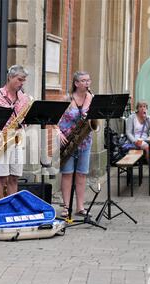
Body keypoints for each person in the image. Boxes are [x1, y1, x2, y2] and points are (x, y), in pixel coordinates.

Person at [0, 65, 30, 200]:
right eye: (19, 80)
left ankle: (12, 209)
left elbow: (25, 119)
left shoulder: (24, 98)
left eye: (23, 81)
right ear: (10, 77)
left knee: (14, 177)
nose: (21, 83)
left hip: (17, 138)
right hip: (2, 139)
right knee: (1, 178)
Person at [57, 71, 93, 218]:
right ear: (76, 83)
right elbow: (54, 119)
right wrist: (58, 133)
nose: (87, 83)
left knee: (82, 174)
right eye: (83, 80)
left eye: (88, 80)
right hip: (67, 140)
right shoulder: (66, 98)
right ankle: (65, 207)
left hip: (85, 140)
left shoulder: (91, 98)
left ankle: (80, 206)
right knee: (67, 174)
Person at [125, 101, 150, 174]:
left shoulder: (147, 117)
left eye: (144, 107)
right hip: (136, 140)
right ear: (137, 108)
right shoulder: (132, 117)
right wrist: (134, 141)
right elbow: (128, 133)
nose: (142, 108)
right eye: (140, 107)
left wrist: (148, 118)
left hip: (146, 140)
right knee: (149, 148)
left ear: (146, 108)